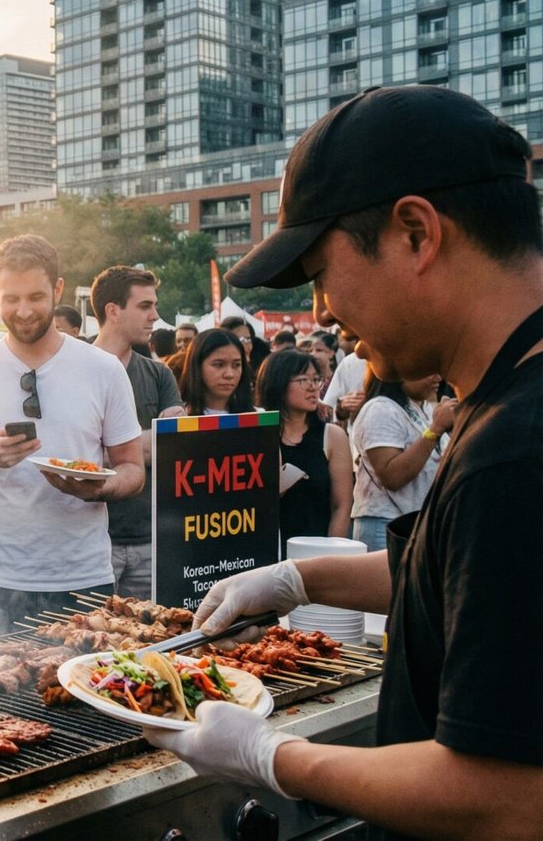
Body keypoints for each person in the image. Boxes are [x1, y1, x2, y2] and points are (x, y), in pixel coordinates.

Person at [145, 86, 543, 838]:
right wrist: (299, 580)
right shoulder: (514, 404)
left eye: (324, 271)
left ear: (415, 234)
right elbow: (468, 572)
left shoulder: (516, 451)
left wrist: (272, 755)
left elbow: (509, 797)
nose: (323, 311)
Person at [0, 235, 143, 638]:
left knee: (83, 696)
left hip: (83, 579)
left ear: (58, 290)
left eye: (36, 296)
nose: (24, 311)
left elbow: (133, 469)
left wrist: (97, 488)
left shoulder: (103, 370)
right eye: (11, 299)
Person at [90, 267, 183, 600]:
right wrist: (144, 445)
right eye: (145, 306)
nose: (155, 316)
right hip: (93, 540)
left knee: (148, 643)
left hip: (150, 539)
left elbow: (175, 449)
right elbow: (69, 456)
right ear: (113, 311)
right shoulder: (73, 370)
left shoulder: (159, 374)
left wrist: (108, 450)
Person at [348, 369, 455, 552]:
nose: (438, 377)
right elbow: (393, 476)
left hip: (416, 524)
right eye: (429, 371)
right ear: (400, 371)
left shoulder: (426, 408)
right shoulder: (380, 409)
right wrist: (436, 428)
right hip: (385, 524)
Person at [255, 349, 352, 541]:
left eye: (316, 379)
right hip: (269, 551)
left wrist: (331, 555)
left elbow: (341, 506)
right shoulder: (258, 435)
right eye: (302, 380)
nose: (313, 387)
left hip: (317, 551)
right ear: (278, 383)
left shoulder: (332, 436)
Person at [176, 327, 254, 416]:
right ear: (197, 366)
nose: (229, 374)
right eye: (219, 365)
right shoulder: (178, 418)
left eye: (236, 365)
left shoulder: (258, 417)